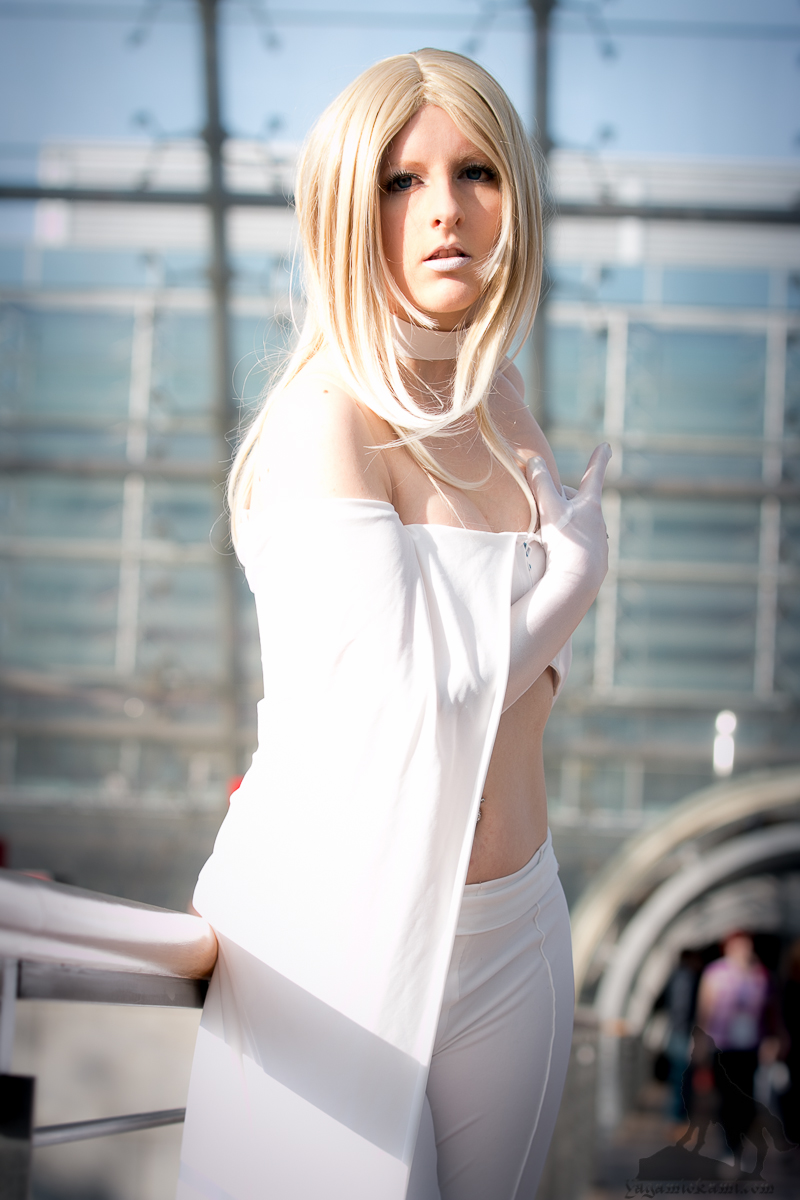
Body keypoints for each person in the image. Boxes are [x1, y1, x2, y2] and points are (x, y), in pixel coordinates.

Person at [178, 49, 610, 1200]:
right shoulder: (324, 420)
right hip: (336, 924)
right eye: (398, 181)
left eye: (476, 172)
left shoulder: (502, 401)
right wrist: (571, 580)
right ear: (341, 203)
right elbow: (411, 707)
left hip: (512, 925)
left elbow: (520, 695)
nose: (444, 211)